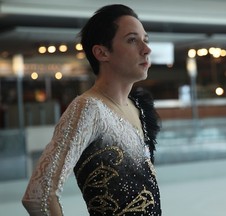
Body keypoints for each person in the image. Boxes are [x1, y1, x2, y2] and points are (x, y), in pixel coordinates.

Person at [22, 4, 161, 216]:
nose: (146, 49)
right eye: (132, 40)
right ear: (102, 52)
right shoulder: (89, 109)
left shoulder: (138, 107)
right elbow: (38, 196)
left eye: (146, 39)